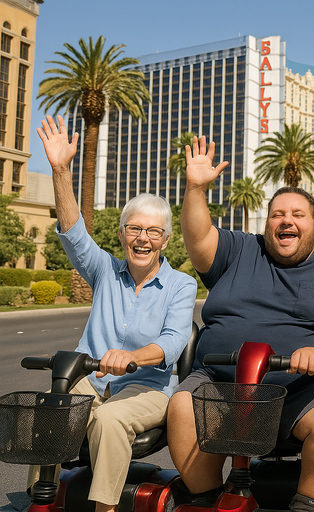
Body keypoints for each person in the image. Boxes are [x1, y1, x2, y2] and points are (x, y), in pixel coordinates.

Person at [167, 137, 314, 512]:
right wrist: (196, 189)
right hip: (224, 382)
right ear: (266, 222)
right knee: (184, 406)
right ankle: (204, 500)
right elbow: (199, 239)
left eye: (298, 214)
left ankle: (308, 505)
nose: (287, 221)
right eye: (278, 214)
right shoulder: (239, 248)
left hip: (311, 389)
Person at [32, 115, 198, 512]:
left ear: (166, 239)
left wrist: (133, 358)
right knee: (48, 412)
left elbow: (174, 342)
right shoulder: (104, 269)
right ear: (122, 233)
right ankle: (38, 502)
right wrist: (59, 170)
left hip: (149, 388)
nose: (143, 238)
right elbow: (73, 231)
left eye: (153, 231)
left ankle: (103, 509)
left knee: (108, 421)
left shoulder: (181, 285)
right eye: (134, 229)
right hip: (89, 380)